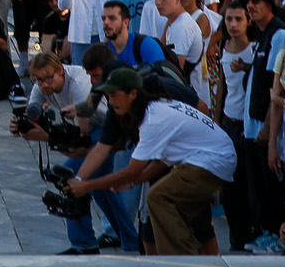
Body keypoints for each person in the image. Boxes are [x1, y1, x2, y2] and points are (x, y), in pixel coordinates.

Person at [69, 66, 236, 255]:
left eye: (115, 95)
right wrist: (132, 182)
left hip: (213, 158)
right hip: (211, 155)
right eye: (107, 96)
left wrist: (87, 186)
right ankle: (189, 255)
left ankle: (182, 259)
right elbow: (161, 161)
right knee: (179, 210)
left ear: (133, 94)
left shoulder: (153, 120)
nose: (110, 101)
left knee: (158, 196)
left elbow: (133, 169)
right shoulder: (155, 107)